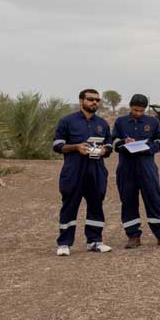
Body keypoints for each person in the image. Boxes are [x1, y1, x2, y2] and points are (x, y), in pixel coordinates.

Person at [51, 88, 114, 256]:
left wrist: (104, 150)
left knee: (96, 205)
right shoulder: (67, 121)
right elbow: (57, 146)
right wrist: (76, 147)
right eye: (90, 99)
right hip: (74, 170)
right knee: (69, 205)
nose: (94, 102)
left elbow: (110, 145)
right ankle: (64, 243)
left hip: (97, 170)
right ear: (81, 101)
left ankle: (95, 241)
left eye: (97, 100)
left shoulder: (102, 123)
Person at [111, 93, 160, 248]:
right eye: (135, 110)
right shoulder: (120, 122)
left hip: (147, 168)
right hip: (126, 168)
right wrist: (124, 143)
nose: (138, 113)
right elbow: (114, 141)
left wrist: (148, 148)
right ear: (130, 106)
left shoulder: (152, 122)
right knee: (128, 201)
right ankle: (133, 236)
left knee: (154, 200)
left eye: (141, 111)